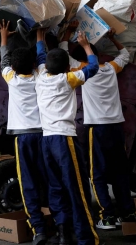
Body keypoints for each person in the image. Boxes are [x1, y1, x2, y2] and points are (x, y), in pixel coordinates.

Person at [61, 23, 136, 230]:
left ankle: (108, 217)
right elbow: (125, 54)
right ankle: (128, 212)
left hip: (97, 129)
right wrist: (112, 38)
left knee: (97, 174)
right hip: (116, 128)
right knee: (120, 172)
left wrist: (69, 32)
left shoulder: (82, 70)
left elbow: (62, 52)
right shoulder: (110, 68)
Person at [36, 29, 100, 245]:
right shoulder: (68, 79)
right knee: (78, 189)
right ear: (66, 68)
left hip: (47, 141)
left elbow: (39, 56)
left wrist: (39, 37)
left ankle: (64, 234)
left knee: (56, 188)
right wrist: (85, 45)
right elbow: (93, 68)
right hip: (65, 140)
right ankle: (85, 238)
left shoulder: (40, 77)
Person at [0, 20, 50, 245]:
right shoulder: (40, 76)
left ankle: (39, 229)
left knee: (27, 181)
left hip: (23, 138)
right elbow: (42, 57)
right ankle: (56, 222)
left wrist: (4, 37)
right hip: (44, 135)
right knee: (47, 178)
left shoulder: (12, 79)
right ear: (33, 66)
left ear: (15, 68)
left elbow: (3, 60)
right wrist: (40, 36)